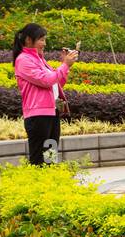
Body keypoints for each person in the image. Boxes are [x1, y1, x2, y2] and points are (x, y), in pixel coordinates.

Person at [13, 23, 79, 166]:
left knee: (50, 156)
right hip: (38, 115)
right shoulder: (23, 60)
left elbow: (57, 83)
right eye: (41, 39)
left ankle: (50, 183)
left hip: (51, 112)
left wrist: (64, 65)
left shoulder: (40, 59)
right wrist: (65, 65)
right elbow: (46, 80)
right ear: (29, 40)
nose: (44, 43)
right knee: (39, 159)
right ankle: (37, 184)